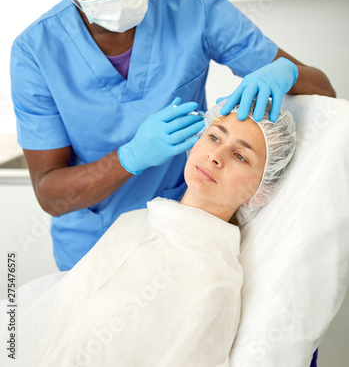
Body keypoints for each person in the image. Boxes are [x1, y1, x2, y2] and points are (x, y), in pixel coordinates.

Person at [10, 0, 335, 275]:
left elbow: (324, 92)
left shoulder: (193, 6)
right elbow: (50, 194)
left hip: (186, 235)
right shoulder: (35, 52)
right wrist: (129, 158)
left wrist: (286, 71)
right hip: (94, 253)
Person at [0, 101, 296, 366]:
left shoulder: (212, 284)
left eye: (241, 156)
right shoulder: (139, 221)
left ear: (261, 192)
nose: (215, 156)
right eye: (214, 137)